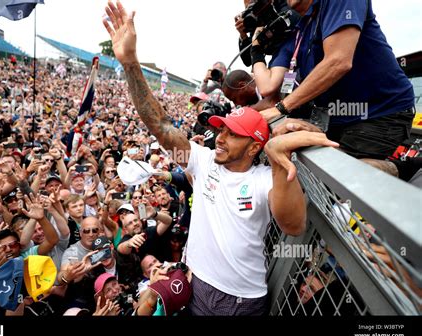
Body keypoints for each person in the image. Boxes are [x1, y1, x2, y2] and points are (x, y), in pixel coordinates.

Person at [102, 0, 338, 315]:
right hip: (197, 287)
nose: (221, 138)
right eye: (221, 130)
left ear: (255, 147)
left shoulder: (264, 179)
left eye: (233, 133)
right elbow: (159, 124)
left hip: (240, 302)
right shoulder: (204, 160)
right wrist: (131, 62)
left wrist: (281, 157)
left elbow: (294, 226)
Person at [255, 0, 415, 161]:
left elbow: (338, 61)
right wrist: (255, 48)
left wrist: (281, 108)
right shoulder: (301, 28)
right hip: (340, 115)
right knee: (310, 168)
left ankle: (404, 167)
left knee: (341, 177)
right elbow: (267, 86)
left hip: (379, 112)